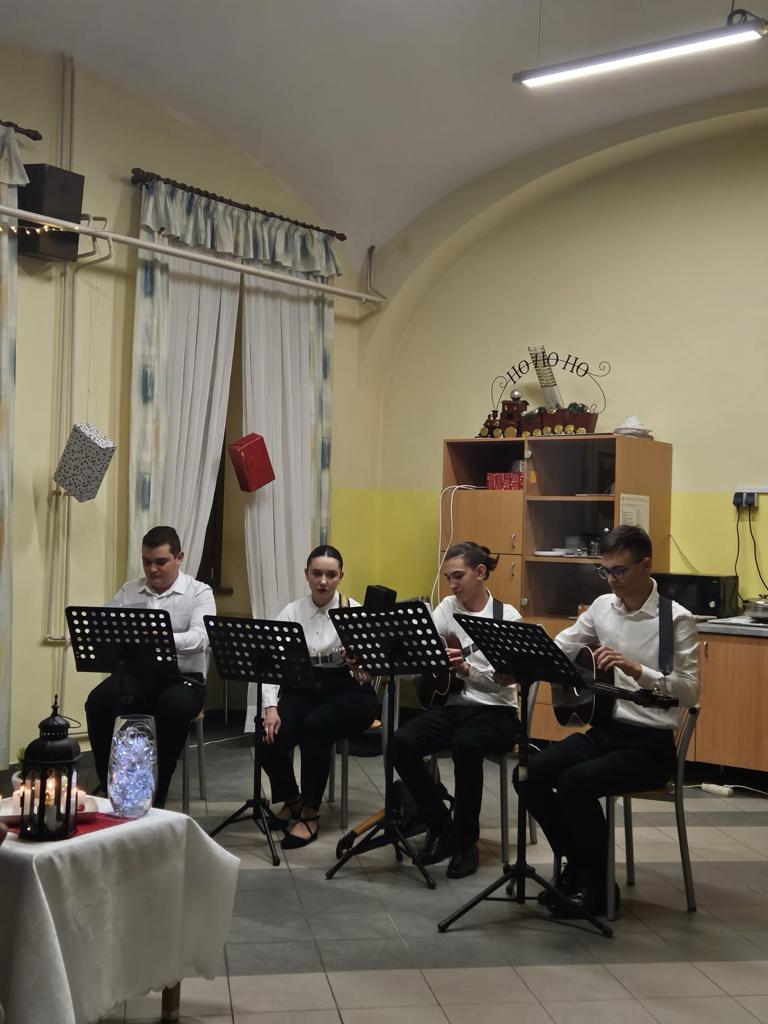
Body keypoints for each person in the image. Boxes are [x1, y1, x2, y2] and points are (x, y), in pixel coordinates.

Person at [518, 524, 699, 917]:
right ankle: (581, 866)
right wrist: (526, 661)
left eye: (620, 570)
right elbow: (563, 647)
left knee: (575, 783)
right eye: (606, 571)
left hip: (650, 744)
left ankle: (598, 889)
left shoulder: (675, 620)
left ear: (646, 565)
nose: (612, 580)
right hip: (605, 731)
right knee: (529, 774)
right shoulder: (602, 607)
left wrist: (638, 671)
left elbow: (689, 692)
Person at [391, 541, 523, 879]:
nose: (452, 585)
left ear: (480, 573)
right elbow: (424, 649)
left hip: (498, 712)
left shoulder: (507, 617)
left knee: (466, 743)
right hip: (455, 707)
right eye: (448, 577)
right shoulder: (448, 608)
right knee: (401, 742)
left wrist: (466, 670)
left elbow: (506, 683)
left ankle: (466, 842)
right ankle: (439, 824)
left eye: (458, 576)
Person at [85, 525, 215, 808]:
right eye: (146, 561)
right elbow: (104, 620)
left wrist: (162, 638)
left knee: (172, 708)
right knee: (99, 702)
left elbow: (201, 638)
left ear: (179, 558)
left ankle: (155, 795)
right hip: (138, 675)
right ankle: (111, 785)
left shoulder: (199, 592)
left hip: (184, 679)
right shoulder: (130, 589)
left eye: (160, 561)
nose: (152, 569)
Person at [260, 545, 378, 849]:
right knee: (268, 736)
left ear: (340, 577)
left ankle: (310, 814)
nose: (323, 581)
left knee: (316, 727)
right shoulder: (292, 611)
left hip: (349, 691)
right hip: (306, 687)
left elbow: (370, 670)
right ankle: (294, 800)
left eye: (330, 575)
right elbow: (272, 663)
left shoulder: (353, 610)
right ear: (307, 575)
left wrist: (360, 663)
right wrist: (270, 708)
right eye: (317, 574)